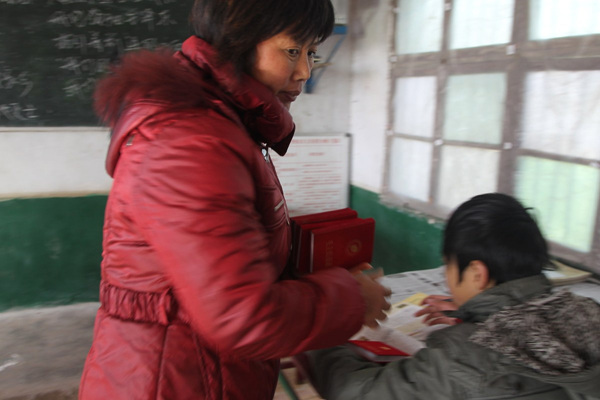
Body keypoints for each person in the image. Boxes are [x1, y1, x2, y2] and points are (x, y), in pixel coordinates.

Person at [78, 1, 391, 398]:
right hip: (170, 380)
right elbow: (241, 315)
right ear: (240, 41)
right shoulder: (189, 139)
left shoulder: (226, 125)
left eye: (312, 53)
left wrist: (314, 279)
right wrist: (352, 299)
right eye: (292, 50)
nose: (304, 71)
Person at [306, 193, 600, 400]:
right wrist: (474, 316)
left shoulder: (464, 355)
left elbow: (355, 393)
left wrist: (323, 323)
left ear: (477, 274)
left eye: (447, 265)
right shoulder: (586, 310)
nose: (446, 278)